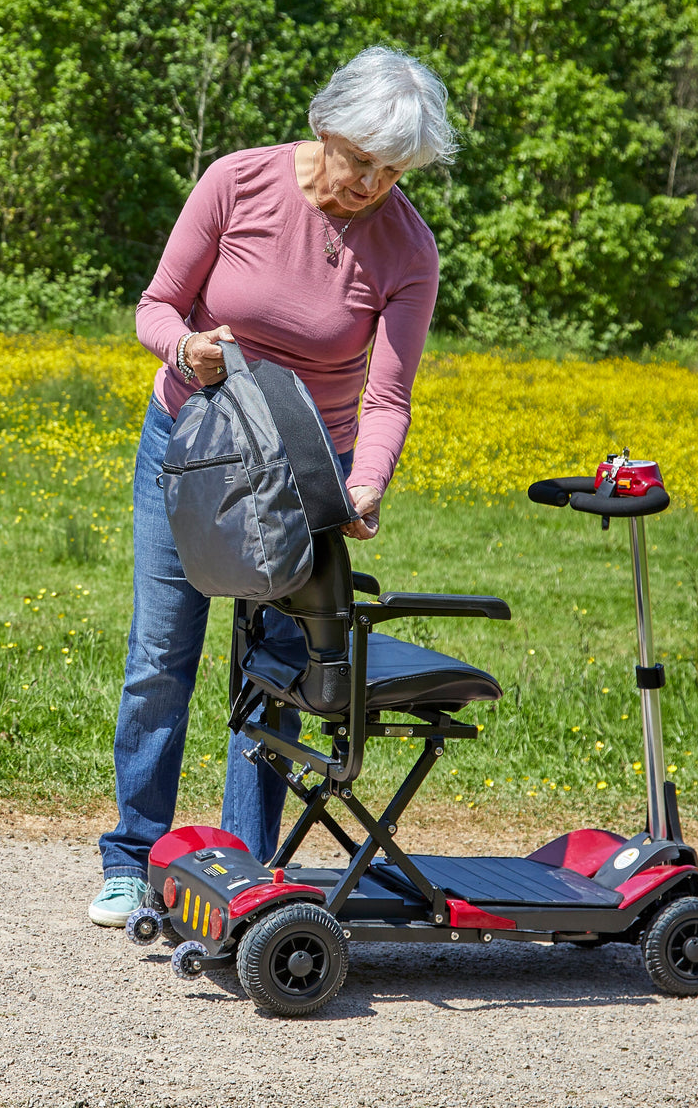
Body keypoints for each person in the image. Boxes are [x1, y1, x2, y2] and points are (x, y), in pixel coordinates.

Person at [89, 46, 456, 926]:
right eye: (359, 160)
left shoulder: (408, 249)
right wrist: (186, 348)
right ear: (323, 126)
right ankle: (133, 857)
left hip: (302, 474)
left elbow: (388, 394)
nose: (371, 185)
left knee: (276, 676)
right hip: (193, 451)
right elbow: (156, 306)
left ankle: (242, 872)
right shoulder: (237, 181)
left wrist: (364, 489)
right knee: (159, 661)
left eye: (393, 171)